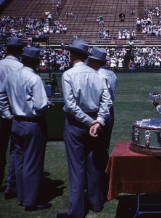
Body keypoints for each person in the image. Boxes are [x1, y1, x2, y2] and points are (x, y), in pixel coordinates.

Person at [57, 40, 112, 218]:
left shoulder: (68, 74)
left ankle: (77, 210)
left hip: (76, 123)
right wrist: (99, 121)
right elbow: (107, 101)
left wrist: (90, 122)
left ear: (72, 55)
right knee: (93, 164)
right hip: (95, 120)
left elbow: (71, 106)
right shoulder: (98, 75)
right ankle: (96, 203)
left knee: (76, 167)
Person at [0, 46, 52, 211]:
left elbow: (1, 96)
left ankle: (21, 195)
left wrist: (8, 113)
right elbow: (41, 104)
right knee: (32, 162)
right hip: (32, 123)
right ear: (36, 61)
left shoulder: (11, 76)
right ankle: (30, 201)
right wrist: (47, 104)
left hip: (16, 121)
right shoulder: (34, 78)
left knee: (20, 161)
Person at [0, 37, 24, 199]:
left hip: (2, 111)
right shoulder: (21, 67)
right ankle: (12, 185)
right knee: (16, 150)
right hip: (16, 112)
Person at [88, 46, 117, 148]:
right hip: (110, 110)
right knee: (104, 146)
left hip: (99, 110)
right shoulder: (112, 74)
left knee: (95, 147)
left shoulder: (96, 75)